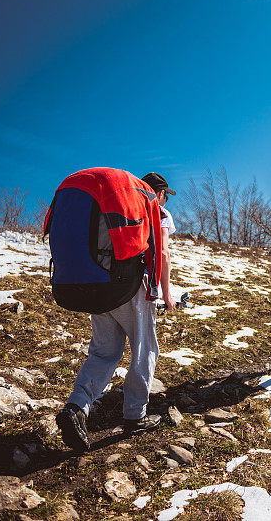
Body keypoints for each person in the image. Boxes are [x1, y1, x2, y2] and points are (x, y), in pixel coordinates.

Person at [56, 172, 176, 450]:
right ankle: (135, 415)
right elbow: (164, 254)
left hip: (101, 283)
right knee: (144, 348)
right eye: (165, 195)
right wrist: (164, 293)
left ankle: (76, 408)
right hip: (134, 285)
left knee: (103, 353)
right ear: (158, 193)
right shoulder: (154, 208)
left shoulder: (118, 203)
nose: (165, 199)